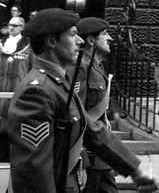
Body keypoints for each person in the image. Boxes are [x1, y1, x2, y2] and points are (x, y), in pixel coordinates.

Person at [6, 8, 158, 193]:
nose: (80, 41)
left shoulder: (58, 83)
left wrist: (134, 170)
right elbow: (34, 172)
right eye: (73, 35)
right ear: (52, 41)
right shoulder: (37, 91)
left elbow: (91, 130)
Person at [67, 17, 118, 193]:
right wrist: (80, 155)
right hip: (90, 154)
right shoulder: (80, 66)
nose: (110, 38)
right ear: (90, 40)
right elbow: (75, 113)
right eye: (105, 34)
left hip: (100, 152)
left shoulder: (96, 65)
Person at [0, 16, 31, 163]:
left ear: (22, 27)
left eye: (15, 25)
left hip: (18, 89)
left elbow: (31, 67)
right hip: (0, 88)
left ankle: (14, 153)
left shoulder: (29, 46)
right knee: (0, 121)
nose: (12, 28)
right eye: (10, 25)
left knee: (15, 121)